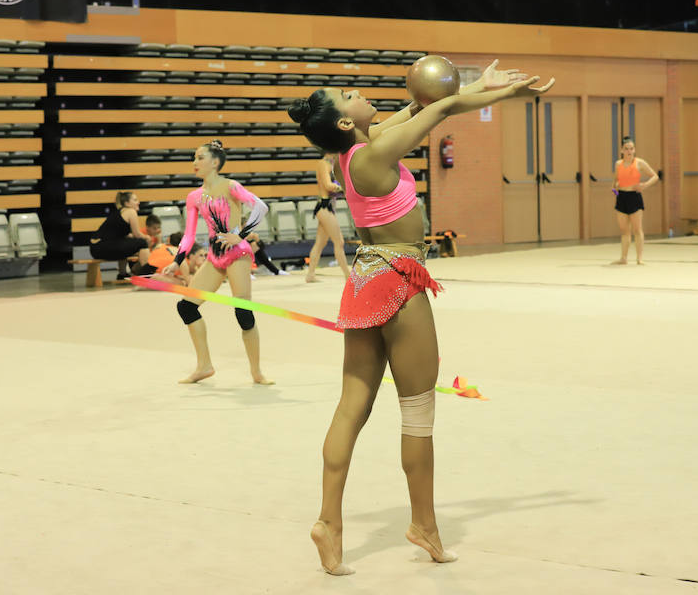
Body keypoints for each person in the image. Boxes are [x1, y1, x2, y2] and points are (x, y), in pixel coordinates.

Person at [288, 62, 553, 575]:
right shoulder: (376, 151)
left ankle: (328, 521)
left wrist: (477, 86)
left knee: (352, 406)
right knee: (418, 409)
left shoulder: (356, 150)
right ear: (346, 123)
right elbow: (442, 107)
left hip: (365, 279)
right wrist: (507, 91)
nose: (360, 93)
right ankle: (424, 525)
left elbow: (427, 106)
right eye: (350, 95)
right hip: (399, 278)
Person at [160, 140, 273, 385]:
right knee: (186, 307)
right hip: (214, 256)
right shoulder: (194, 197)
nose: (194, 163)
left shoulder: (231, 186)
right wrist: (176, 261)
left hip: (237, 254)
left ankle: (256, 372)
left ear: (215, 162)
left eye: (199, 157)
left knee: (243, 312)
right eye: (194, 157)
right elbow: (189, 235)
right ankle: (204, 365)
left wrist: (240, 235)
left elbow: (261, 207)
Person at [611, 137, 659, 265]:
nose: (629, 152)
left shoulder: (639, 163)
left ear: (634, 150)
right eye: (626, 149)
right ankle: (624, 258)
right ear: (622, 150)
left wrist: (645, 185)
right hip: (621, 196)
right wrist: (615, 190)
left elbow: (655, 176)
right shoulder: (618, 164)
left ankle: (639, 258)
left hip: (634, 197)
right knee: (624, 230)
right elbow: (615, 181)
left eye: (631, 149)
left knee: (637, 229)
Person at [305, 152, 351, 283]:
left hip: (326, 206)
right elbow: (328, 185)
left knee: (320, 243)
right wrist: (345, 188)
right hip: (324, 207)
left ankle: (310, 275)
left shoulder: (329, 164)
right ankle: (348, 275)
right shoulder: (323, 164)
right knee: (339, 242)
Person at [89, 191, 150, 280]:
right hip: (102, 246)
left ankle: (122, 274)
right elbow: (137, 234)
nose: (138, 202)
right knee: (142, 243)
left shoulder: (120, 212)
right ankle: (147, 275)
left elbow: (126, 236)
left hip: (96, 248)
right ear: (127, 203)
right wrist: (148, 237)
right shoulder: (131, 211)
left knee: (126, 245)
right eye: (135, 200)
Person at [132, 232, 199, 284]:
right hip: (151, 274)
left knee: (180, 278)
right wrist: (187, 278)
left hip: (144, 271)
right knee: (182, 283)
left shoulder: (162, 246)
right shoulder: (177, 252)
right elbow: (184, 264)